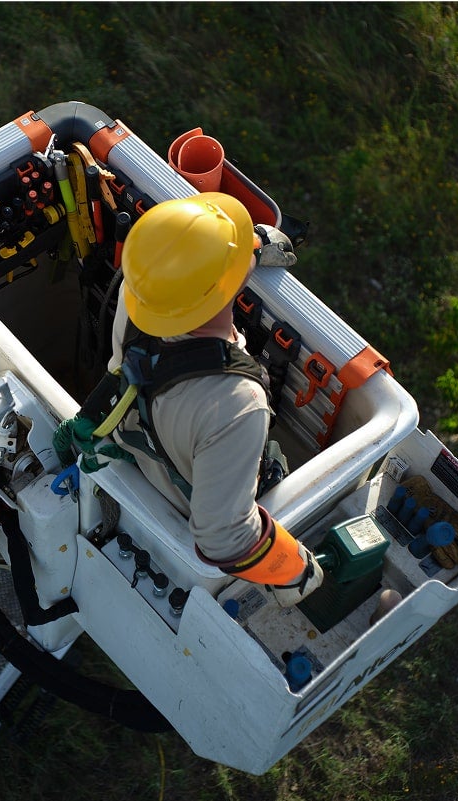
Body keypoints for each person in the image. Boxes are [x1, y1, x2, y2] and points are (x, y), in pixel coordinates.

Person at [60, 192, 323, 607]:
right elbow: (223, 538)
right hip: (190, 500)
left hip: (145, 445)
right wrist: (293, 570)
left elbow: (201, 279)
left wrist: (252, 246)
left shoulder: (145, 292)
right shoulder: (237, 405)